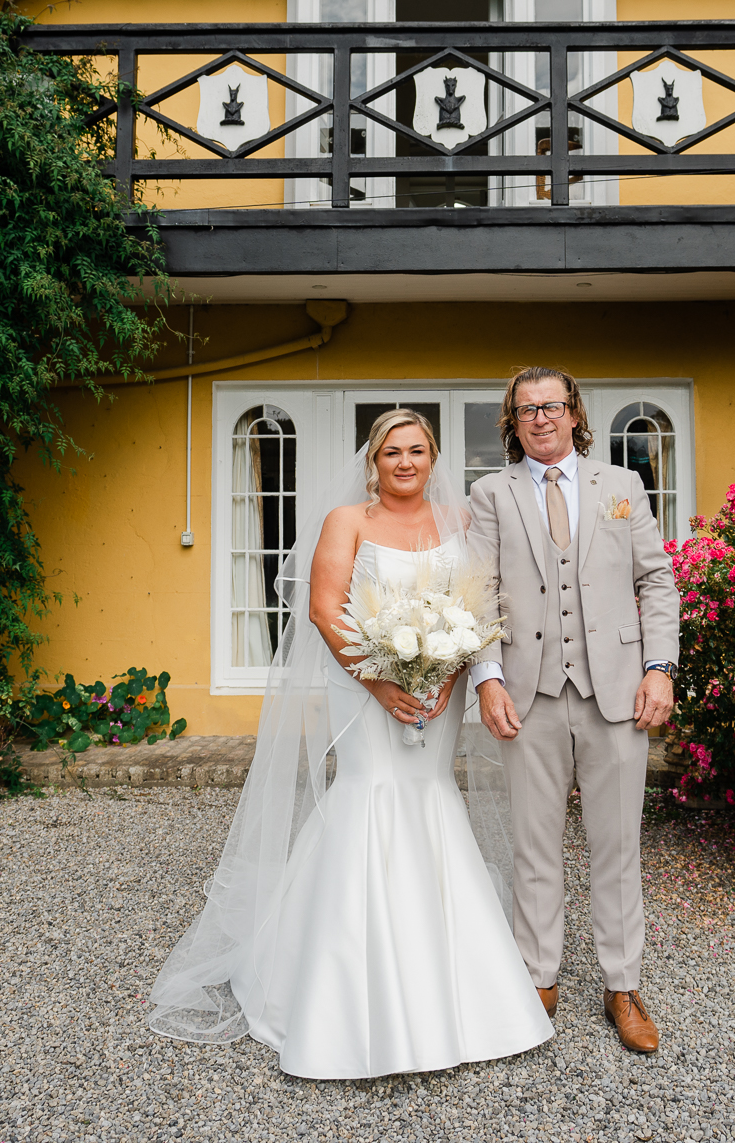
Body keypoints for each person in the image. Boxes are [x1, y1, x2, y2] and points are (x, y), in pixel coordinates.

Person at [147, 408, 553, 1080]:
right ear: (374, 460)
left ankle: (455, 987)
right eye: (392, 451)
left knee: (430, 794)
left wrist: (449, 673)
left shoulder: (458, 522)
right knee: (370, 794)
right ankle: (340, 990)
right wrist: (380, 683)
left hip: (437, 691)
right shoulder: (348, 522)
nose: (405, 462)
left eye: (418, 451)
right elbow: (324, 608)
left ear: (432, 458)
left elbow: (476, 605)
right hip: (365, 687)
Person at [467, 366, 681, 1055]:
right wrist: (488, 679)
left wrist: (659, 669)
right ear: (513, 420)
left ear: (573, 412)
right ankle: (539, 981)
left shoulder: (621, 486)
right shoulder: (490, 493)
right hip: (527, 694)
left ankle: (623, 986)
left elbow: (655, 581)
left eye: (551, 406)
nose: (540, 418)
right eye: (526, 409)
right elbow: (478, 591)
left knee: (617, 847)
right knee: (534, 848)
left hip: (615, 691)